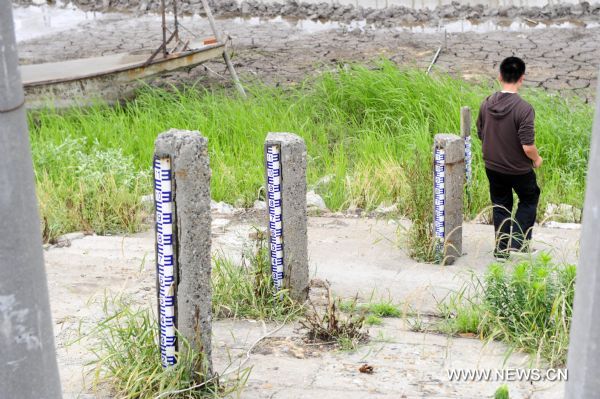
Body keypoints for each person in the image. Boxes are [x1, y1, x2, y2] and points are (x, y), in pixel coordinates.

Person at [476, 56, 542, 259]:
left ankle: (501, 250)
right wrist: (537, 159)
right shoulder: (524, 109)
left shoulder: (486, 103)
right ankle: (518, 242)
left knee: (501, 205)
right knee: (529, 198)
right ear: (522, 78)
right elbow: (527, 146)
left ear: (499, 77)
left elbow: (481, 132)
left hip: (493, 167)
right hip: (518, 169)